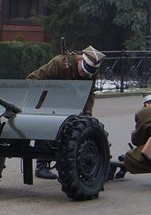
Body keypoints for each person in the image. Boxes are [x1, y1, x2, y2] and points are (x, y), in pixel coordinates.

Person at [26, 45, 105, 179]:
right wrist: (43, 102)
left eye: (89, 72)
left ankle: (69, 162)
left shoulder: (91, 73)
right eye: (84, 70)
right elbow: (33, 79)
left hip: (73, 104)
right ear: (80, 60)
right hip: (50, 103)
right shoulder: (60, 64)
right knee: (47, 124)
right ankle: (42, 165)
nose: (85, 74)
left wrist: (87, 114)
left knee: (81, 127)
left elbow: (90, 94)